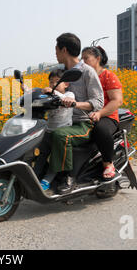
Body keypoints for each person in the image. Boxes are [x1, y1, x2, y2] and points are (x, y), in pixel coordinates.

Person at [47, 33, 104, 194]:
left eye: (56, 49)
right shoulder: (60, 73)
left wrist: (75, 104)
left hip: (83, 123)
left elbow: (98, 103)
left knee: (60, 135)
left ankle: (67, 177)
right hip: (61, 120)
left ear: (64, 50)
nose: (55, 53)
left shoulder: (87, 72)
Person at [82, 46, 123, 180]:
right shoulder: (84, 77)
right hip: (86, 115)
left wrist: (100, 113)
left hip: (107, 116)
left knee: (100, 129)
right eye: (82, 59)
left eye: (86, 58)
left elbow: (117, 101)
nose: (83, 62)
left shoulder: (108, 76)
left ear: (97, 59)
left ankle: (108, 164)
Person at [29, 69, 76, 190]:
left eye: (57, 82)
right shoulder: (49, 96)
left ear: (66, 84)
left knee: (56, 157)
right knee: (41, 154)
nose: (53, 84)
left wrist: (53, 92)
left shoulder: (69, 95)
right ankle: (33, 175)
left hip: (62, 132)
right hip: (48, 131)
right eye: (51, 82)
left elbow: (66, 99)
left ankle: (46, 180)